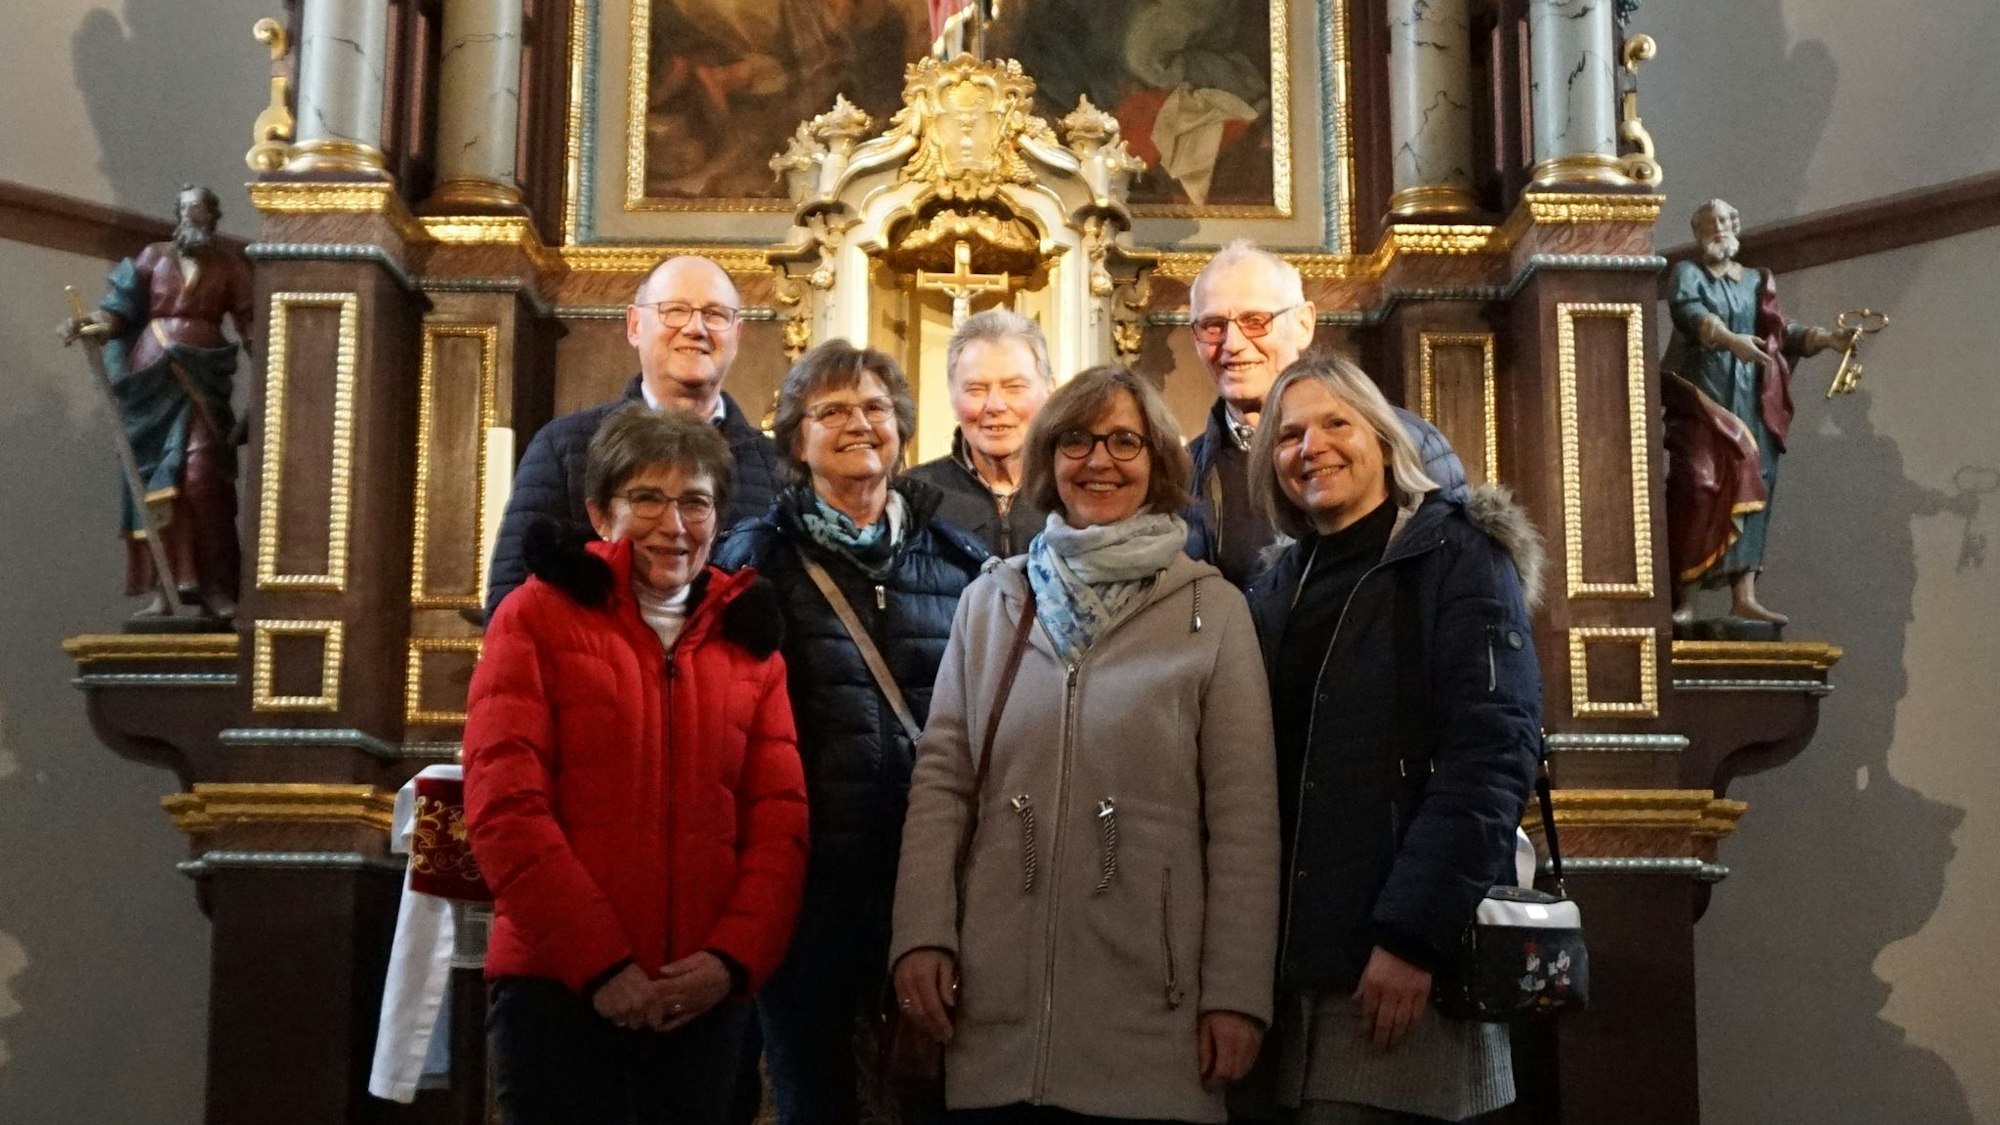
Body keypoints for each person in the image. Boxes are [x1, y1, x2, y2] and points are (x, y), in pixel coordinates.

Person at [891, 365, 1280, 1124]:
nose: (1099, 460)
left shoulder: (1214, 608)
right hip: (997, 1008)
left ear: (1159, 462)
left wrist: (1236, 995)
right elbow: (942, 784)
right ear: (1049, 459)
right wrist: (922, 935)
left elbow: (1244, 820)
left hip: (1152, 1013)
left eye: (1124, 440)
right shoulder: (993, 599)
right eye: (1076, 439)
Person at [464, 407, 809, 1124]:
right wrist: (601, 964)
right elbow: (506, 805)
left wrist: (727, 962)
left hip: (702, 1000)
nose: (673, 524)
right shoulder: (535, 615)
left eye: (696, 501)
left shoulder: (751, 643)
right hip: (558, 987)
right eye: (647, 498)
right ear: (599, 512)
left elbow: (780, 824)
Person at [1242, 357, 1543, 1124]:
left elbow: (1492, 753)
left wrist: (1413, 937)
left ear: (1382, 436)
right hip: (1291, 976)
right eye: (1289, 434)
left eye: (1336, 423)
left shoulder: (1455, 553)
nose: (1312, 446)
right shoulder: (1277, 587)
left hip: (1404, 966)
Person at [713, 340, 990, 1125]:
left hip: (932, 884)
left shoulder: (960, 562)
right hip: (807, 887)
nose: (857, 424)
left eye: (874, 408)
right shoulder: (751, 559)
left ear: (901, 428)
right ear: (796, 439)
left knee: (935, 1095)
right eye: (830, 410)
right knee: (814, 1095)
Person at [485, 254, 784, 617]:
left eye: (715, 314)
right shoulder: (564, 445)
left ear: (736, 336)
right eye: (675, 310)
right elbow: (512, 604)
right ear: (634, 325)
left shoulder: (777, 465)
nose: (695, 328)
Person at [1183, 240, 1467, 587]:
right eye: (1212, 325)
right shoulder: (1180, 474)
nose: (1232, 344)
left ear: (1303, 324)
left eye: (1255, 320)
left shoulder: (1407, 441)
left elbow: (1461, 577)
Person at [60, 184, 252, 619]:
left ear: (214, 217)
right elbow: (119, 310)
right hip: (151, 381)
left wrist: (269, 390)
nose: (193, 219)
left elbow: (255, 327)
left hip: (203, 381)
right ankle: (168, 588)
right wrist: (94, 324)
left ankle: (216, 586)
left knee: (202, 477)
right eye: (186, 211)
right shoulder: (153, 257)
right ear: (177, 215)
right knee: (155, 484)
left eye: (201, 212)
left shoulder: (229, 264)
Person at [1661, 199, 1848, 626]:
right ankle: (1683, 596)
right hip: (1703, 400)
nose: (1719, 229)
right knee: (1698, 485)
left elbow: (1781, 332)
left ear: (1737, 227)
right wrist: (1730, 341)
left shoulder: (1755, 281)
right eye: (1710, 224)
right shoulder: (1688, 274)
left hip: (1751, 398)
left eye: (1726, 221)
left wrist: (1828, 339)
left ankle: (1743, 594)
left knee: (1754, 486)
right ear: (1697, 233)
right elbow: (1689, 313)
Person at [903, 309, 1054, 557]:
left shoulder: (1076, 493)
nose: (995, 405)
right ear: (953, 399)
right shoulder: (912, 497)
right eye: (976, 389)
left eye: (1014, 387)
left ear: (1049, 392)